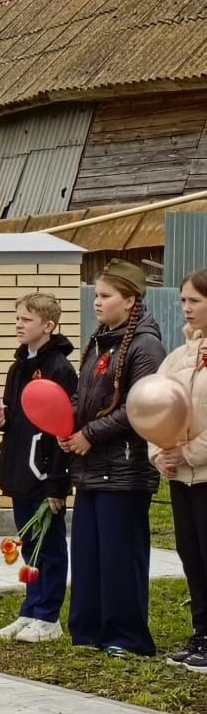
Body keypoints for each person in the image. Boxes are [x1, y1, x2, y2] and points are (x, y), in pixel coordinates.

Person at [61, 259, 165, 657]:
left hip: (124, 470)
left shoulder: (145, 346)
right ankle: (88, 632)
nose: (97, 303)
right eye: (97, 295)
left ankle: (126, 637)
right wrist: (66, 419)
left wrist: (90, 433)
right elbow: (84, 396)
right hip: (90, 470)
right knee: (87, 556)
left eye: (105, 296)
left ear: (130, 299)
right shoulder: (101, 341)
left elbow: (141, 407)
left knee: (121, 558)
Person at [0, 293, 77, 643]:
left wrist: (57, 483)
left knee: (51, 547)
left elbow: (62, 427)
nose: (18, 325)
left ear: (48, 325)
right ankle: (30, 610)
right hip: (19, 470)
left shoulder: (59, 368)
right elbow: (16, 415)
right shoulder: (17, 367)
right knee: (29, 545)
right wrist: (3, 419)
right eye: (17, 318)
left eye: (26, 320)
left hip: (44, 475)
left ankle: (49, 617)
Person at [151, 268, 207, 670]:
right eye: (184, 300)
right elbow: (152, 406)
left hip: (204, 473)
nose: (186, 308)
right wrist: (161, 452)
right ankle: (201, 633)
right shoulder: (178, 356)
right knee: (191, 556)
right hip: (181, 478)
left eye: (195, 301)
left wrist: (188, 453)